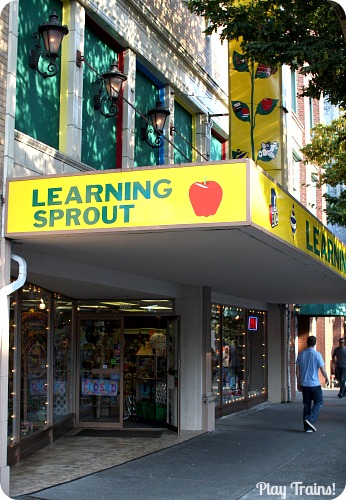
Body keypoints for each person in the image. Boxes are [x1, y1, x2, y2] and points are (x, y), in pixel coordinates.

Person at [296, 335, 329, 433]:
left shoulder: (301, 355)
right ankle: (310, 419)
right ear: (315, 343)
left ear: (307, 342)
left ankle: (307, 428)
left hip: (304, 384)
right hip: (314, 384)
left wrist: (298, 382)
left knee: (306, 405)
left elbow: (297, 370)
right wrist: (327, 378)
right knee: (319, 402)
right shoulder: (317, 355)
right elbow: (322, 369)